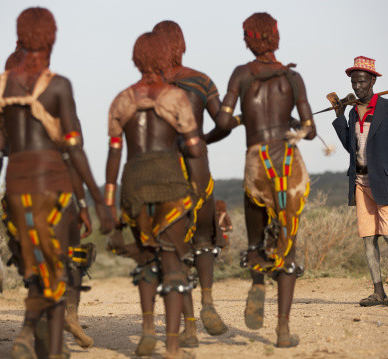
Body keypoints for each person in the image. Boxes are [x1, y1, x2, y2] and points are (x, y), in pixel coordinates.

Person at [0, 8, 113, 358]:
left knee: (37, 274)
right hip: (54, 193)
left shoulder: (2, 85)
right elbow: (74, 151)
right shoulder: (59, 86)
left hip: (16, 194)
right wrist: (93, 201)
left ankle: (41, 340)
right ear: (51, 37)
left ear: (20, 38)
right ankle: (32, 331)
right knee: (57, 274)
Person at [215, 13, 316, 347]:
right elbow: (310, 130)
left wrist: (239, 120)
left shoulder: (241, 74)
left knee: (254, 206)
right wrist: (290, 125)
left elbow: (223, 121)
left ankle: (258, 275)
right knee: (288, 237)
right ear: (274, 37)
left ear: (249, 39)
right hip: (288, 159)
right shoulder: (293, 77)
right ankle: (283, 331)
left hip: (258, 158)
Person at [105, 32, 203, 358]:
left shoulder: (121, 99)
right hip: (169, 180)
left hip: (132, 183)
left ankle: (148, 330)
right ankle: (173, 347)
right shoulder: (175, 98)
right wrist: (199, 190)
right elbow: (193, 149)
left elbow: (114, 155)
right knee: (173, 263)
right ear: (164, 58)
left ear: (136, 59)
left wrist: (109, 201)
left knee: (147, 257)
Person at [152, 20, 229, 345]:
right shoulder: (201, 80)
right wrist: (204, 139)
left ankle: (191, 326)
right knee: (202, 238)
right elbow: (224, 122)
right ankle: (209, 300)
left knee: (173, 247)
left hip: (166, 172)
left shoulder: (150, 86)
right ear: (182, 44)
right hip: (199, 169)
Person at [332, 56, 388, 307]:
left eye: (362, 81)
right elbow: (350, 146)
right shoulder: (353, 112)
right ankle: (377, 291)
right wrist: (339, 115)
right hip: (360, 182)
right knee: (368, 238)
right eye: (354, 82)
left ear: (373, 81)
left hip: (387, 182)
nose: (357, 86)